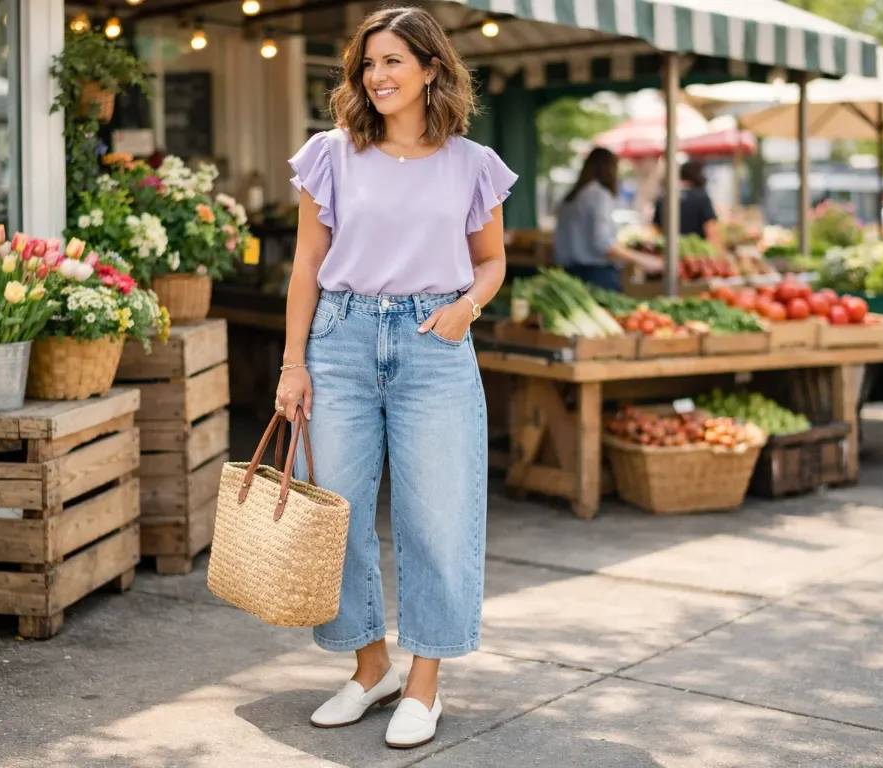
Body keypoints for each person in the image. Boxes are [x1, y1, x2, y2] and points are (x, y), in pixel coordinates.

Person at [274, 6, 516, 750]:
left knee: (437, 519)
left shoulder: (473, 164)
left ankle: (424, 683)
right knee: (335, 517)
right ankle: (370, 665)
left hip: (433, 346)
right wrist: (293, 362)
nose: (376, 77)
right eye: (368, 64)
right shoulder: (332, 154)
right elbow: (308, 264)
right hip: (340, 341)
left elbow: (492, 261)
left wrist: (466, 308)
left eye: (392, 63)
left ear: (431, 70)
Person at [553, 147, 663, 290]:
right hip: (596, 275)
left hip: (568, 273)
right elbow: (603, 244)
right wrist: (643, 260)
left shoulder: (572, 197)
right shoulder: (598, 195)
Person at [653, 160, 721, 246]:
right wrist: (717, 250)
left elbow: (656, 227)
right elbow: (710, 227)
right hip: (696, 253)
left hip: (668, 250)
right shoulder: (701, 197)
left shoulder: (664, 197)